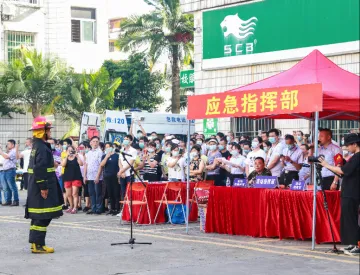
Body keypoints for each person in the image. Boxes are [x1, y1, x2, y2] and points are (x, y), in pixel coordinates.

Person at [25, 116, 63, 253]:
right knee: (43, 216)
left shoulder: (38, 146)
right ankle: (38, 245)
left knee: (39, 216)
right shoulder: (41, 147)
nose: (50, 133)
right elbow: (39, 168)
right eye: (48, 130)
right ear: (42, 131)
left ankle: (35, 243)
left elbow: (40, 164)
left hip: (37, 185)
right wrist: (43, 187)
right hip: (42, 185)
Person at [319, 133, 360, 256]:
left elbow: (343, 171)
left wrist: (327, 165)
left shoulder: (358, 157)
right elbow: (344, 171)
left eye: (348, 145)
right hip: (349, 190)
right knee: (348, 218)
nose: (347, 148)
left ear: (354, 144)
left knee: (351, 218)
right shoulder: (353, 157)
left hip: (352, 191)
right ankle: (352, 243)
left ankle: (357, 245)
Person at [84, 136, 104, 215]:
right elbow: (86, 164)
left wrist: (98, 176)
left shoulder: (100, 152)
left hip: (97, 176)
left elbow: (100, 165)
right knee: (91, 192)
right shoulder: (88, 153)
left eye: (97, 141)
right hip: (90, 176)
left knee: (98, 192)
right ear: (90, 143)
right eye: (94, 141)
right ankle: (93, 208)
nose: (95, 143)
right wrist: (85, 176)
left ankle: (99, 208)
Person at [61, 145, 83, 214]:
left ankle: (75, 207)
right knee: (68, 194)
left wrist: (77, 156)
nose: (70, 152)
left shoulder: (76, 157)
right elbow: (63, 165)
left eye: (71, 150)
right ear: (67, 151)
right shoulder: (65, 157)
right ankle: (71, 206)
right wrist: (67, 156)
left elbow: (81, 164)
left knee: (74, 193)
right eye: (69, 150)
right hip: (67, 177)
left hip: (76, 177)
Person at [100, 143, 120, 215]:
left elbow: (119, 165)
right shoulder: (104, 156)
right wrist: (106, 157)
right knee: (110, 193)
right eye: (106, 147)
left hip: (115, 176)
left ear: (112, 147)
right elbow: (102, 165)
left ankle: (117, 208)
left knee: (116, 193)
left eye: (109, 147)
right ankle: (112, 208)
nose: (108, 148)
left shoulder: (117, 156)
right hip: (107, 176)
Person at [118, 135, 137, 202]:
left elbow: (130, 163)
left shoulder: (133, 150)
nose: (125, 140)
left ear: (131, 141)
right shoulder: (121, 150)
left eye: (127, 139)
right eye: (124, 139)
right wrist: (121, 171)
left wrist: (121, 171)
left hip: (129, 174)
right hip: (122, 174)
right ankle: (123, 210)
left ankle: (129, 210)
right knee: (123, 192)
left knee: (129, 192)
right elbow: (120, 161)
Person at [0, 140, 19, 206]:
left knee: (12, 186)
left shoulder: (13, 151)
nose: (7, 145)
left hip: (10, 171)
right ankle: (8, 200)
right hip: (6, 171)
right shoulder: (10, 151)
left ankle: (16, 201)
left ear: (12, 145)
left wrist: (0, 151)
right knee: (7, 187)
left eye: (8, 144)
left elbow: (6, 157)